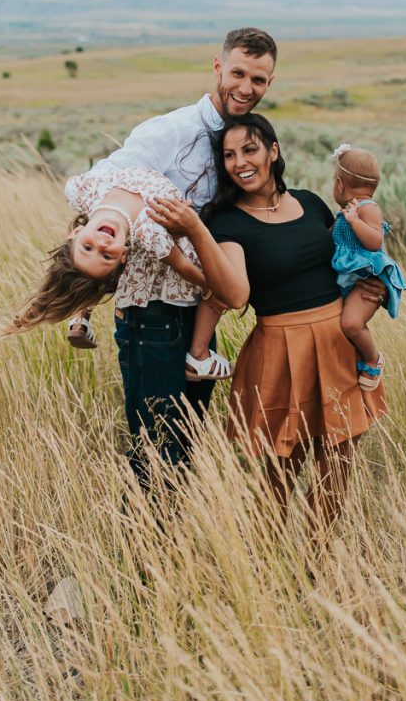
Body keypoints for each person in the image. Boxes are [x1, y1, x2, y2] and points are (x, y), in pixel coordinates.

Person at [148, 114, 388, 530]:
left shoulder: (311, 202)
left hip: (338, 344)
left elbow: (350, 258)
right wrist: (196, 229)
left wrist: (377, 284)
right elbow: (235, 293)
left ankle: (317, 561)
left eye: (249, 149)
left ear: (273, 151)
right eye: (229, 155)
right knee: (280, 474)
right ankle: (268, 562)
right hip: (282, 350)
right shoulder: (228, 223)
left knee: (337, 472)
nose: (239, 162)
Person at [70, 27, 278, 479]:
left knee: (183, 449)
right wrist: (106, 239)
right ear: (218, 66)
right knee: (156, 453)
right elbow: (102, 182)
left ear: (270, 83)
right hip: (152, 315)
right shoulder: (171, 130)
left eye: (258, 80)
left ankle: (172, 528)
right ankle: (140, 527)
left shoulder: (241, 143)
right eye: (238, 73)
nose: (246, 88)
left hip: (199, 314)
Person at [9, 165, 234, 383]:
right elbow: (182, 265)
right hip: (176, 278)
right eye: (107, 256)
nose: (101, 244)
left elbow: (76, 189)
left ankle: (81, 315)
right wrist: (212, 286)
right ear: (124, 255)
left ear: (75, 232)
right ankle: (198, 356)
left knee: (88, 276)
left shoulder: (86, 192)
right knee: (216, 294)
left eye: (87, 247)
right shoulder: (150, 231)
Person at [331, 143, 406, 391]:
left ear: (340, 184)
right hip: (350, 277)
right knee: (339, 323)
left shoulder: (368, 209)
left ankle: (373, 359)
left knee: (351, 323)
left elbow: (375, 242)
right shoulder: (348, 210)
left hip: (367, 277)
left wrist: (354, 221)